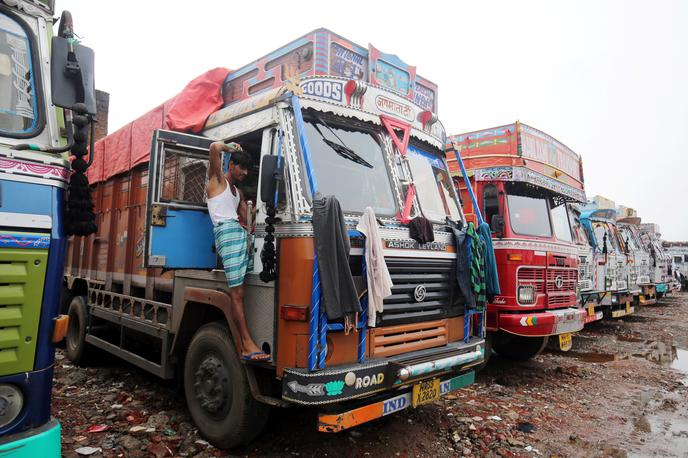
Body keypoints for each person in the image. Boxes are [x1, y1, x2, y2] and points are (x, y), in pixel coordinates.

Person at [206, 141, 269, 361]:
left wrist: (251, 210)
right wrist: (231, 148)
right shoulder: (217, 180)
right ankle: (245, 344)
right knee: (237, 293)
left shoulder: (237, 192)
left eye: (246, 170)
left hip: (241, 234)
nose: (243, 173)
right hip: (227, 233)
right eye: (240, 167)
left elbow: (246, 217)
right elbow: (214, 147)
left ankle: (247, 343)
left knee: (243, 290)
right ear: (231, 164)